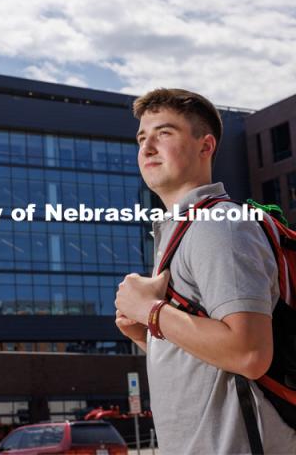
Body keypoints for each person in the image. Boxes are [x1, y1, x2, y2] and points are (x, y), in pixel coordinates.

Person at [114, 88, 296, 454]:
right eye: (142, 138)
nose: (147, 147)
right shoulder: (180, 231)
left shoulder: (218, 224)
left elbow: (249, 353)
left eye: (164, 133)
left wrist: (151, 311)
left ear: (205, 146)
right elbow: (212, 364)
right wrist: (147, 331)